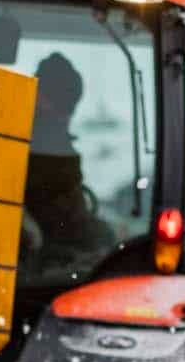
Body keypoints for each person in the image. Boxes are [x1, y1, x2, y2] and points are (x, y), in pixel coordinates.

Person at [20, 52, 114, 282]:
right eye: (63, 106)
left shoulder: (49, 139)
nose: (66, 116)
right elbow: (62, 219)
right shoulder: (39, 143)